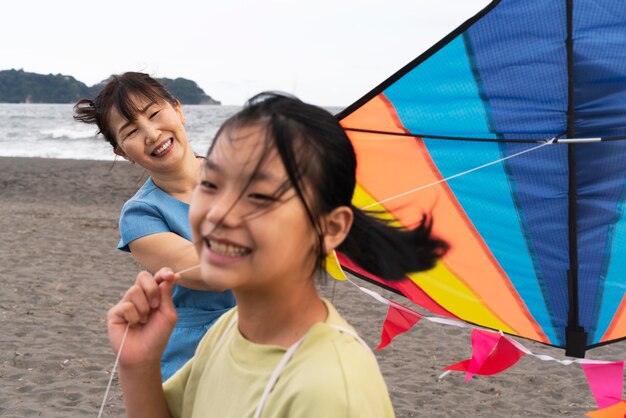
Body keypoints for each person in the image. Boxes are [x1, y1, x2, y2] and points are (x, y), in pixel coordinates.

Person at [107, 92, 448, 417]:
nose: (220, 212)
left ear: (329, 229)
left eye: (259, 195)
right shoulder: (226, 332)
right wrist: (137, 364)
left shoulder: (330, 388)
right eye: (211, 185)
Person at [73, 72, 235, 381]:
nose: (151, 133)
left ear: (178, 110)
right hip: (194, 357)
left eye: (155, 114)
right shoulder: (141, 214)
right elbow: (211, 271)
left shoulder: (246, 173)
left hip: (270, 334)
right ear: (122, 152)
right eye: (131, 131)